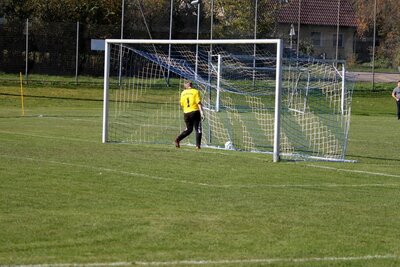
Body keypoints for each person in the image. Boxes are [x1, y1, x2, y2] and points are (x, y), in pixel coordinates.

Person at [175, 81, 204, 149]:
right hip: (195, 112)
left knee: (189, 129)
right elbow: (198, 103)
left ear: (186, 86)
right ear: (191, 85)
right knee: (198, 129)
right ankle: (197, 146)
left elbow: (182, 104)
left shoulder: (183, 93)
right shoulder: (195, 91)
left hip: (186, 113)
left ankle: (178, 139)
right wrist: (202, 112)